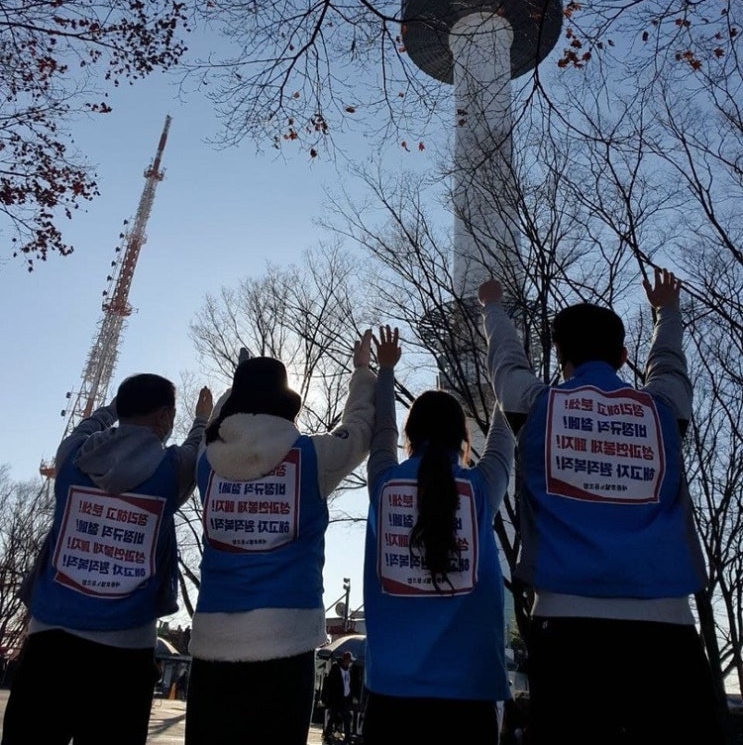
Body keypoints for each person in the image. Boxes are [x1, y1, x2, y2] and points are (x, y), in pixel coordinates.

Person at [478, 267, 725, 745]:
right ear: (623, 355)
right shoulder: (662, 413)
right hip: (667, 630)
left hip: (568, 632)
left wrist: (493, 307)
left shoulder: (538, 406)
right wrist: (667, 313)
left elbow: (506, 367)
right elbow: (670, 367)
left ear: (558, 355)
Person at [184, 333, 376, 745]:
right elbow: (360, 431)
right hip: (287, 644)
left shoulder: (206, 465)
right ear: (286, 402)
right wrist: (361, 372)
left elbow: (210, 429)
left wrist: (222, 397)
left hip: (212, 643)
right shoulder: (312, 457)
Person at [2, 374, 213, 745]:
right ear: (165, 417)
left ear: (121, 408)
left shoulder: (72, 457)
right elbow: (197, 447)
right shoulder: (173, 470)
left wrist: (113, 408)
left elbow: (87, 426)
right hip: (125, 652)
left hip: (48, 641)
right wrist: (201, 419)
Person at [362, 326, 513, 744]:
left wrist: (386, 370)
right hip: (469, 697)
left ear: (410, 436)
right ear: (463, 438)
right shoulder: (482, 489)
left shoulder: (383, 484)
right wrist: (508, 368)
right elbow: (503, 435)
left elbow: (381, 434)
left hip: (391, 695)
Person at [322, 651, 354, 743]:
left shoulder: (348, 670)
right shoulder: (336, 668)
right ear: (345, 660)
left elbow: (348, 684)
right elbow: (331, 684)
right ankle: (328, 735)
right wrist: (330, 697)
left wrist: (349, 696)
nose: (350, 662)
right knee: (333, 717)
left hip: (344, 698)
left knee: (344, 718)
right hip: (337, 698)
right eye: (349, 660)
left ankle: (346, 737)